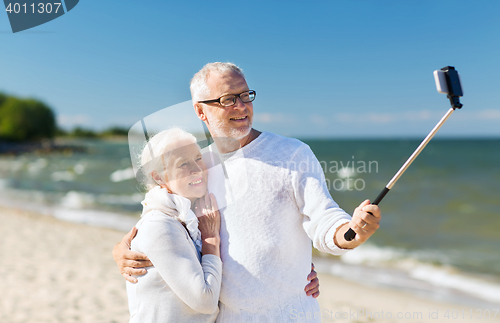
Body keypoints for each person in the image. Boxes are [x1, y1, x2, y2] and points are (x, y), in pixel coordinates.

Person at [114, 62, 382, 322]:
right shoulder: (197, 165)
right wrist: (122, 248)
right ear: (200, 111)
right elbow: (161, 213)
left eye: (245, 95)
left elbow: (324, 217)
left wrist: (350, 232)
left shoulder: (292, 153)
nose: (242, 106)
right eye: (228, 99)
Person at [127, 127, 223, 322]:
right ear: (159, 177)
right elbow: (205, 302)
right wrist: (211, 241)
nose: (197, 169)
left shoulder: (186, 217)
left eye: (198, 158)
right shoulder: (159, 225)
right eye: (183, 164)